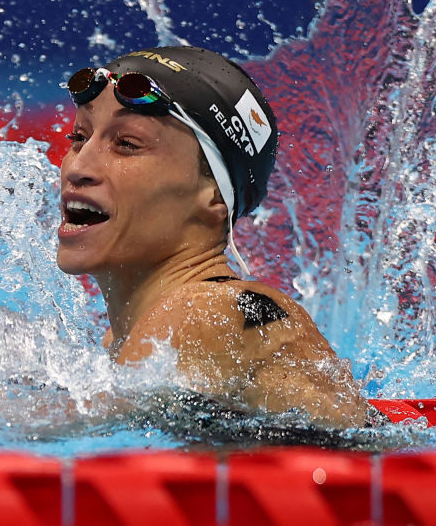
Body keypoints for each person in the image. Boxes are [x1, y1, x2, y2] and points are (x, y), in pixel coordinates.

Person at [55, 46, 372, 429]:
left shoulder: (203, 313)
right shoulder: (124, 337)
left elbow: (54, 435)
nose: (79, 166)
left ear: (212, 195)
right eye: (78, 137)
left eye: (126, 144)